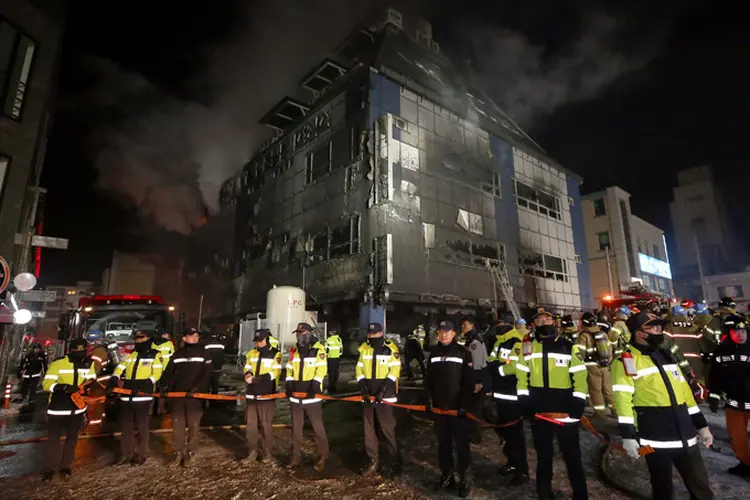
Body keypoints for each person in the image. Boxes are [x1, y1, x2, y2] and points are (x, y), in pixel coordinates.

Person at [612, 312, 713, 500]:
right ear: (640, 333)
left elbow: (685, 395)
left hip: (686, 437)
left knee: (702, 490)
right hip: (656, 440)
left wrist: (701, 425)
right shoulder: (626, 362)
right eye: (655, 328)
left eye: (660, 327)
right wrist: (628, 435)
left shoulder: (666, 356)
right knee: (663, 490)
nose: (660, 331)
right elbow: (623, 400)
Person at [516, 312, 589, 500]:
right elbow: (522, 376)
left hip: (566, 411)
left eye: (547, 320)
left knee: (572, 457)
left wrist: (579, 401)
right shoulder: (528, 348)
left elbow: (580, 376)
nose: (543, 323)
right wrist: (524, 401)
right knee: (544, 457)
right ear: (534, 324)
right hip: (539, 412)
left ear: (554, 322)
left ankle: (580, 496)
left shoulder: (569, 347)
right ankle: (544, 494)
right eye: (539, 320)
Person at [426, 319, 474, 498]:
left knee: (462, 446)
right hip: (439, 409)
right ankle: (446, 476)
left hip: (457, 410)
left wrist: (463, 405)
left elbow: (468, 383)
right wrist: (429, 400)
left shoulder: (463, 353)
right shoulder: (433, 353)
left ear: (454, 334)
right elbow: (429, 380)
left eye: (447, 331)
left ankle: (464, 480)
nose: (443, 334)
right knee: (443, 445)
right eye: (441, 331)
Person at [40, 338, 97, 480]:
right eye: (77, 350)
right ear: (70, 350)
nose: (80, 353)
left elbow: (91, 379)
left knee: (72, 440)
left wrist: (88, 386)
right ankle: (50, 468)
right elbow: (47, 384)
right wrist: (62, 387)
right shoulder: (58, 363)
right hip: (58, 408)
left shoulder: (88, 364)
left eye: (82, 350)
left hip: (77, 409)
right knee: (53, 440)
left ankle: (65, 466)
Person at [110, 329, 165, 466]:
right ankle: (126, 454)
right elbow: (120, 367)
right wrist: (115, 377)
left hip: (143, 395)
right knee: (126, 427)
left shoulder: (155, 355)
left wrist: (145, 384)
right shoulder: (131, 354)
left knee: (142, 427)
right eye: (137, 338)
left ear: (148, 339)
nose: (139, 341)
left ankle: (141, 454)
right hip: (127, 394)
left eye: (142, 338)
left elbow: (157, 373)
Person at [487, 312, 529, 486]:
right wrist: (495, 368)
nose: (497, 327)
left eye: (500, 324)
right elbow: (491, 361)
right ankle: (511, 463)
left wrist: (497, 371)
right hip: (501, 395)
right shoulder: (499, 341)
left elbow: (514, 367)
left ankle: (522, 470)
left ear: (508, 324)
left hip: (513, 395)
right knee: (504, 432)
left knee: (515, 435)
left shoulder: (516, 341)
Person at [160, 328, 213, 467]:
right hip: (178, 396)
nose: (194, 338)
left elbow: (207, 373)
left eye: (196, 336)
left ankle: (190, 453)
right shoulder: (177, 354)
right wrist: (164, 386)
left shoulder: (204, 352)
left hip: (195, 396)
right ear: (184, 338)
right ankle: (178, 452)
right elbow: (169, 372)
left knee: (193, 425)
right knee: (178, 425)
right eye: (191, 336)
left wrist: (198, 388)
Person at [356, 322, 401, 476]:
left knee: (387, 429)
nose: (372, 336)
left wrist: (383, 389)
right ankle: (373, 460)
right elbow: (359, 369)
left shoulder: (390, 349)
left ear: (381, 333)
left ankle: (393, 461)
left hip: (386, 395)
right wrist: (363, 386)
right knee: (369, 430)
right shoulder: (364, 348)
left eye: (375, 334)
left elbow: (395, 369)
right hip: (368, 395)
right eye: (370, 334)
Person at [708, 315, 750, 476]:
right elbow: (715, 376)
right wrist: (714, 396)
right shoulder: (720, 351)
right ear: (727, 332)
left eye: (743, 331)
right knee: (737, 439)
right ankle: (745, 464)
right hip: (734, 405)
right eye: (736, 332)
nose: (741, 335)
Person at [285, 322, 328, 472]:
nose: (299, 336)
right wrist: (289, 386)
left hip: (312, 397)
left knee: (317, 429)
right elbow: (289, 369)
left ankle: (322, 456)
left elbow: (321, 370)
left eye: (302, 333)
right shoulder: (294, 351)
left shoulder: (318, 350)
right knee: (296, 429)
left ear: (309, 334)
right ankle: (295, 457)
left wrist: (314, 387)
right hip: (296, 398)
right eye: (297, 333)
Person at [243, 328, 282, 463]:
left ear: (267, 339)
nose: (258, 344)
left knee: (266, 424)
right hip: (251, 394)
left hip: (266, 394)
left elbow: (275, 373)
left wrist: (256, 379)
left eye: (260, 341)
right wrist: (247, 374)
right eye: (256, 341)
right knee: (251, 425)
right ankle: (252, 452)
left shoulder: (275, 354)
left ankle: (267, 452)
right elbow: (247, 367)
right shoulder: (251, 353)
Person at [578, 312, 615, 418]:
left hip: (592, 367)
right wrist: (607, 362)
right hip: (605, 366)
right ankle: (616, 412)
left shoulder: (584, 336)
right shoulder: (603, 334)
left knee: (596, 391)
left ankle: (600, 415)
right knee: (608, 390)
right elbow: (610, 349)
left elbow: (581, 353)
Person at [460, 315, 490, 444]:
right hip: (474, 377)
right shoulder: (470, 339)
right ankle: (471, 434)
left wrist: (477, 382)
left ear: (472, 326)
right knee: (471, 408)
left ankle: (475, 436)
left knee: (475, 409)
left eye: (465, 325)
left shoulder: (475, 341)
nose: (463, 327)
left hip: (477, 378)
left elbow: (477, 363)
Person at [152, 329, 175, 415]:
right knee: (163, 390)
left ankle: (151, 410)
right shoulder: (169, 344)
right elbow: (172, 357)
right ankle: (160, 409)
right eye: (167, 334)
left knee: (152, 390)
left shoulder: (152, 344)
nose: (168, 336)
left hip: (153, 370)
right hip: (165, 370)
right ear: (163, 335)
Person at [325, 329, 343, 394]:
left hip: (330, 358)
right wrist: (339, 355)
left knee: (331, 371)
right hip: (337, 357)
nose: (329, 332)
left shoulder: (328, 340)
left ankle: (331, 385)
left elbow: (326, 349)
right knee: (336, 371)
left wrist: (326, 356)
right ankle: (334, 383)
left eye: (330, 331)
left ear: (333, 332)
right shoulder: (339, 339)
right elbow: (341, 349)